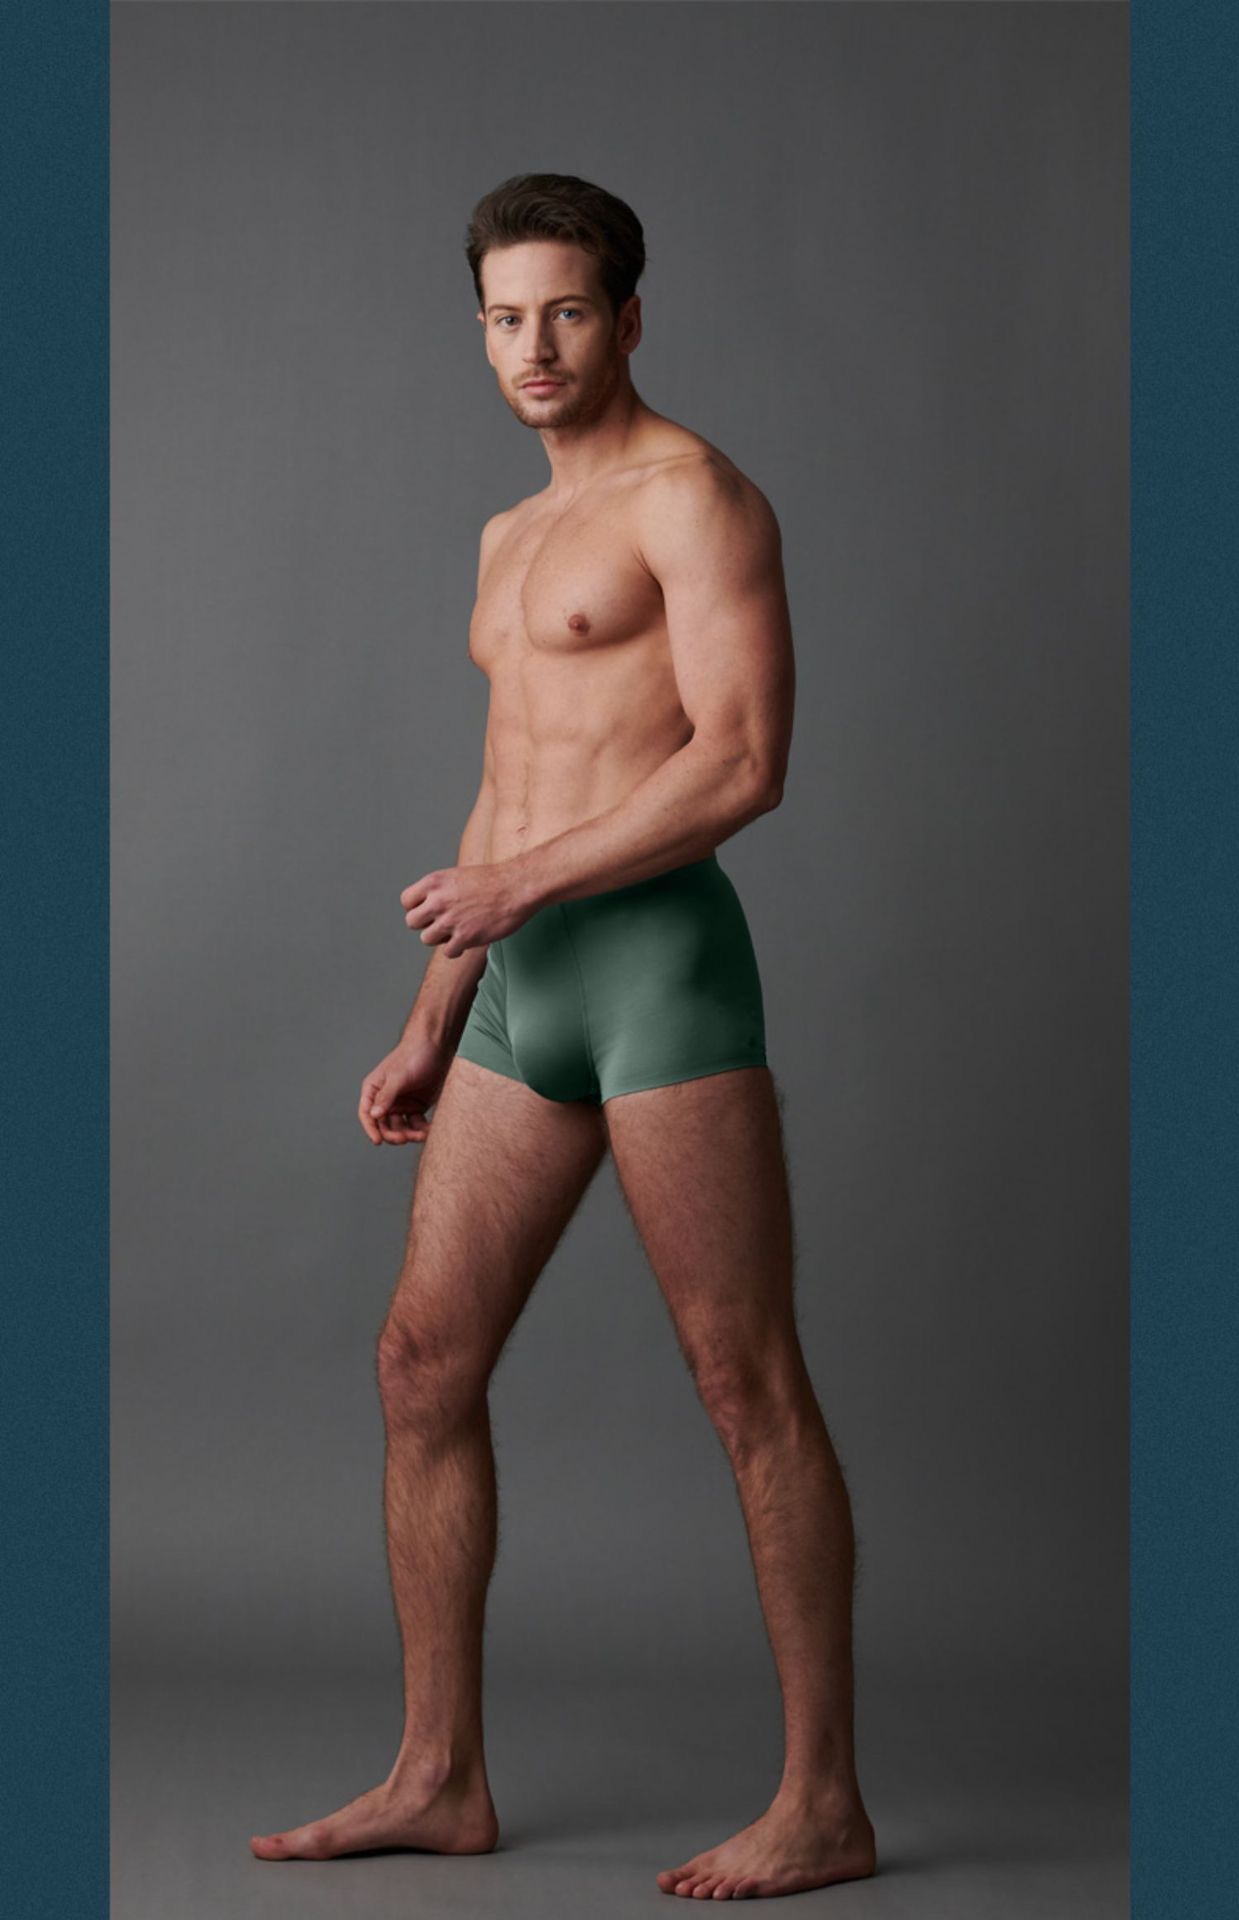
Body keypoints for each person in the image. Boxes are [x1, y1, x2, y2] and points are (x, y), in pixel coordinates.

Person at [250, 171, 877, 1900]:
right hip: (520, 988)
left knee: (745, 1381)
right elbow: (510, 777)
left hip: (659, 974)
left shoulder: (697, 498)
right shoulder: (506, 537)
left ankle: (823, 1801)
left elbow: (742, 763)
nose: (536, 347)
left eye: (569, 313)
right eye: (506, 319)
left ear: (630, 319)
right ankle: (439, 1774)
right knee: (421, 1365)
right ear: (481, 331)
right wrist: (432, 1014)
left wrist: (521, 887)